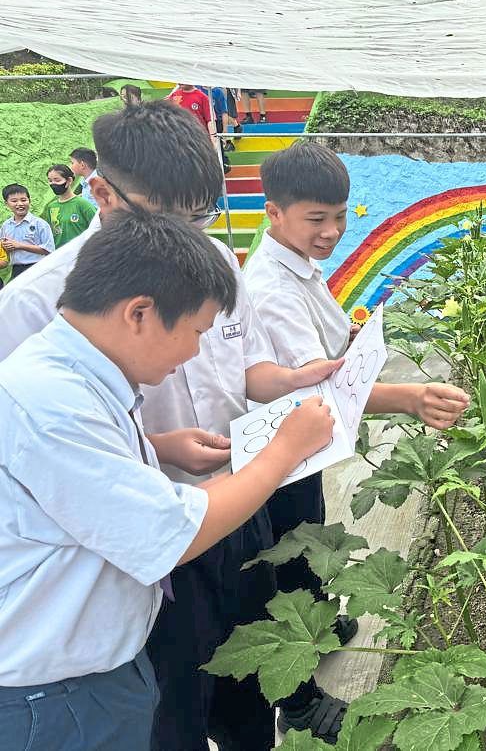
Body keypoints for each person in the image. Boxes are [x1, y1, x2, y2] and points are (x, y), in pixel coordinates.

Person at [0, 100, 338, 750]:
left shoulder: (202, 273)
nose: (192, 352)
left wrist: (153, 442)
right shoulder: (32, 313)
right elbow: (43, 446)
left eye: (200, 219)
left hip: (227, 507)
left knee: (247, 680)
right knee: (174, 707)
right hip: (129, 562)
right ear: (101, 191)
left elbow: (240, 370)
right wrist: (277, 452)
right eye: (168, 220)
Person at [243, 141, 471, 738]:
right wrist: (411, 398)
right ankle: (299, 702)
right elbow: (317, 395)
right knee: (291, 557)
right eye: (317, 219)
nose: (332, 231)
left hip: (305, 449)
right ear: (274, 213)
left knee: (311, 535)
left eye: (340, 216)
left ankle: (319, 625)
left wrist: (353, 340)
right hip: (280, 449)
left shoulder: (299, 266)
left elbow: (330, 355)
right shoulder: (271, 288)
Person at [0, 183, 55, 280]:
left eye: (23, 200)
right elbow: (4, 254)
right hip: (16, 270)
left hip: (38, 268)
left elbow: (49, 249)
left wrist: (20, 245)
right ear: (6, 203)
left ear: (29, 201)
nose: (20, 204)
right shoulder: (6, 226)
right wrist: (6, 248)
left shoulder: (40, 224)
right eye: (14, 201)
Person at [43, 164, 96, 247]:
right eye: (50, 181)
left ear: (69, 181)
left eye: (57, 180)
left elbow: (98, 228)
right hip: (59, 255)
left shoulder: (83, 204)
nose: (53, 184)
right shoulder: (51, 207)